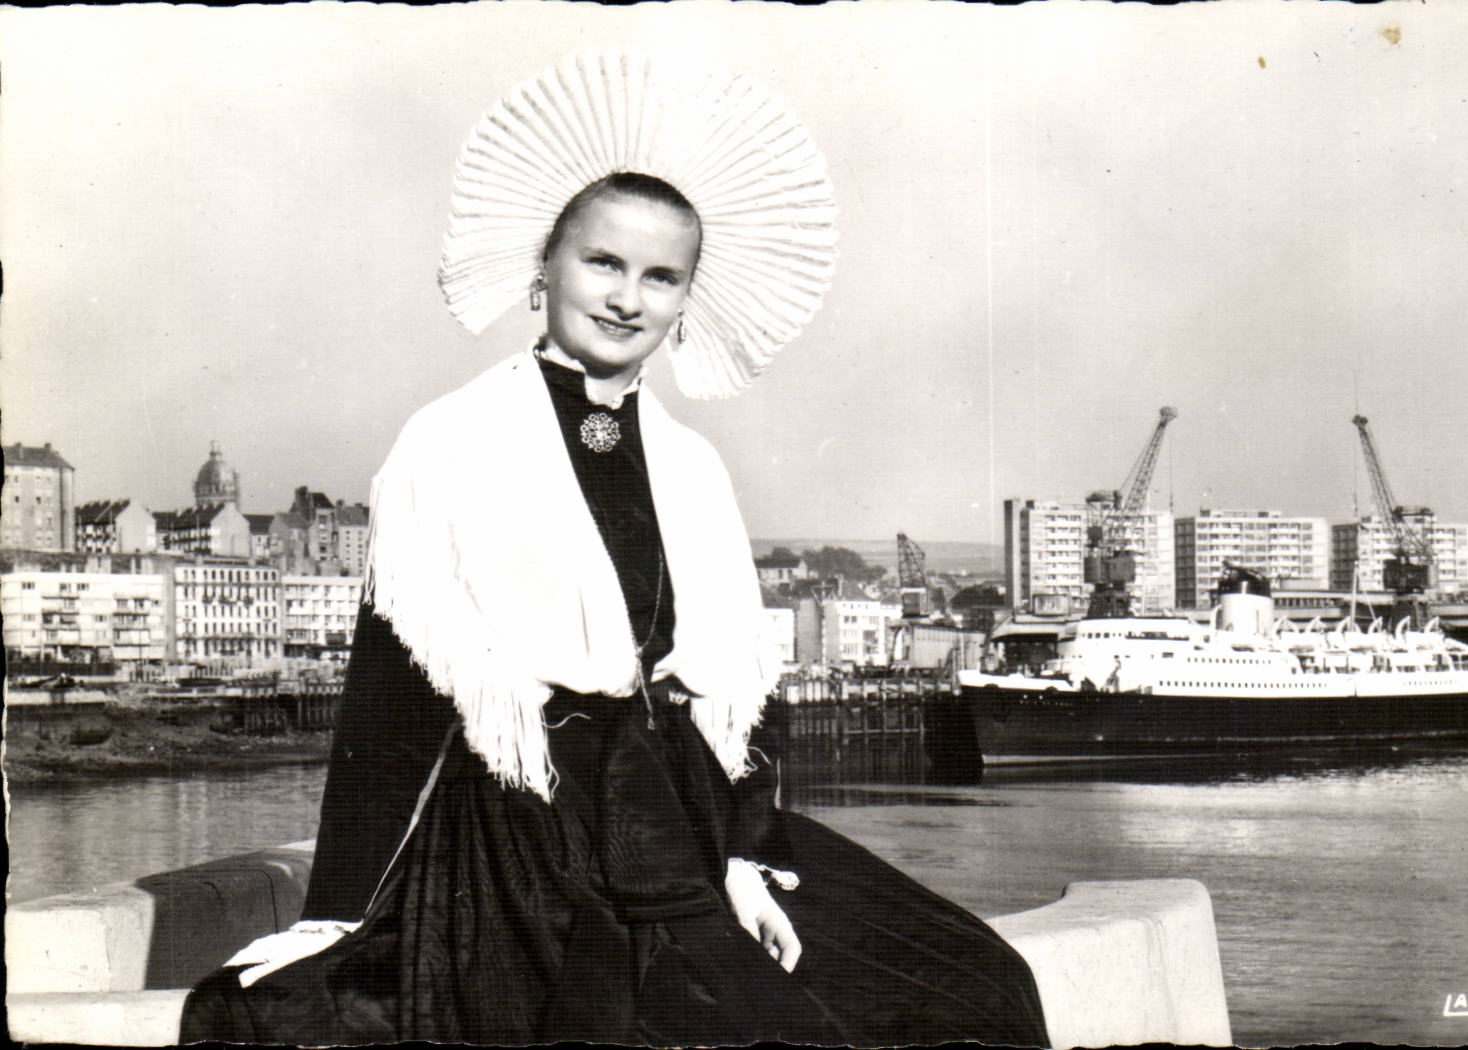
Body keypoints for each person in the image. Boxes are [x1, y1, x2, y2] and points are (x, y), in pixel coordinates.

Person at [181, 53, 1048, 1047]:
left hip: (674, 815)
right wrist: (332, 907)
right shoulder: (450, 440)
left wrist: (746, 859)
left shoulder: (689, 464)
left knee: (972, 980)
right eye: (603, 262)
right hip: (521, 829)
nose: (628, 297)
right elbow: (392, 684)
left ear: (685, 299)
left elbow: (739, 694)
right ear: (543, 263)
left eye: (660, 276)